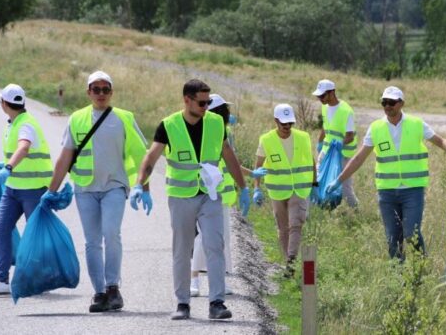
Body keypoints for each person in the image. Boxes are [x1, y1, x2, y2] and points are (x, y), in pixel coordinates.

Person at [133, 79, 249, 321]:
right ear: (187, 100)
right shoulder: (169, 125)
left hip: (210, 194)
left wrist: (243, 187)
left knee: (215, 245)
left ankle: (217, 302)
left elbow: (228, 154)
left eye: (208, 102)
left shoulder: (216, 123)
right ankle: (183, 303)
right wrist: (139, 186)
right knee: (182, 249)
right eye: (201, 102)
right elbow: (151, 157)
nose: (206, 106)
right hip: (181, 197)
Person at [44, 71, 148, 312]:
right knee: (92, 241)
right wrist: (51, 190)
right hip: (85, 189)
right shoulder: (77, 118)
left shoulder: (124, 118)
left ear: (111, 92)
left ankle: (113, 287)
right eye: (96, 89)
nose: (101, 94)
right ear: (88, 92)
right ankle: (99, 292)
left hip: (114, 185)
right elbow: (65, 157)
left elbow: (140, 154)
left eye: (106, 89)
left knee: (111, 233)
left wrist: (144, 186)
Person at [325, 86, 446, 261]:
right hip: (387, 193)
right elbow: (358, 158)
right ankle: (399, 279)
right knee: (393, 240)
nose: (387, 106)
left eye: (392, 102)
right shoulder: (376, 127)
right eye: (384, 102)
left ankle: (420, 270)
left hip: (412, 190)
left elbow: (439, 140)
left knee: (411, 234)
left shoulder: (417, 124)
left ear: (401, 103)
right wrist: (339, 180)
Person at [0, 84, 53, 295]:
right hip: (13, 189)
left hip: (33, 190)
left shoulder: (26, 124)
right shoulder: (13, 123)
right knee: (1, 228)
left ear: (4, 104)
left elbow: (24, 147)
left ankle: (39, 278)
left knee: (34, 234)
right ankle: (1, 279)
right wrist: (5, 163)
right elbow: (18, 152)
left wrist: (8, 167)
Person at [190, 93, 264, 297]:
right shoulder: (202, 132)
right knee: (203, 237)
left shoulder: (224, 133)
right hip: (204, 191)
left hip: (221, 194)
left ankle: (220, 280)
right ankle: (193, 279)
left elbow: (232, 163)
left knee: (222, 239)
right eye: (225, 110)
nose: (228, 114)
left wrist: (247, 178)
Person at [252, 104, 317, 276]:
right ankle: (287, 261)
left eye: (290, 123)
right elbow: (258, 166)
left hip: (300, 189)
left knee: (296, 224)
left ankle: (291, 261)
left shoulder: (303, 137)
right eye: (283, 124)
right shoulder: (266, 140)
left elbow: (311, 160)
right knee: (283, 228)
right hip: (278, 191)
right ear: (276, 121)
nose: (287, 127)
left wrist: (315, 184)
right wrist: (256, 188)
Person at [312, 79, 359, 207]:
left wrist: (340, 144)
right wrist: (320, 142)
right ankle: (318, 206)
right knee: (316, 179)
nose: (320, 99)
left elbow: (350, 136)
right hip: (326, 151)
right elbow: (325, 126)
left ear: (332, 92)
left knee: (345, 187)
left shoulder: (346, 111)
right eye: (318, 96)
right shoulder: (324, 107)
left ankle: (356, 211)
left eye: (322, 95)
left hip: (343, 154)